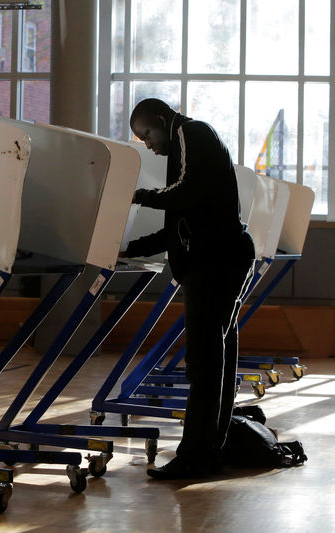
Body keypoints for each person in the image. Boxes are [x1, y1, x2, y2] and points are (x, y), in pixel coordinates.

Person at [120, 98, 256, 480]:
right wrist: (130, 248)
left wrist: (136, 195)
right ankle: (211, 448)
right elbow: (176, 225)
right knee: (214, 361)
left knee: (204, 361)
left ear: (162, 120)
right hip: (217, 261)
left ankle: (196, 457)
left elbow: (184, 193)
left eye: (146, 134)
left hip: (218, 263)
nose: (147, 144)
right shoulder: (182, 147)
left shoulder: (193, 133)